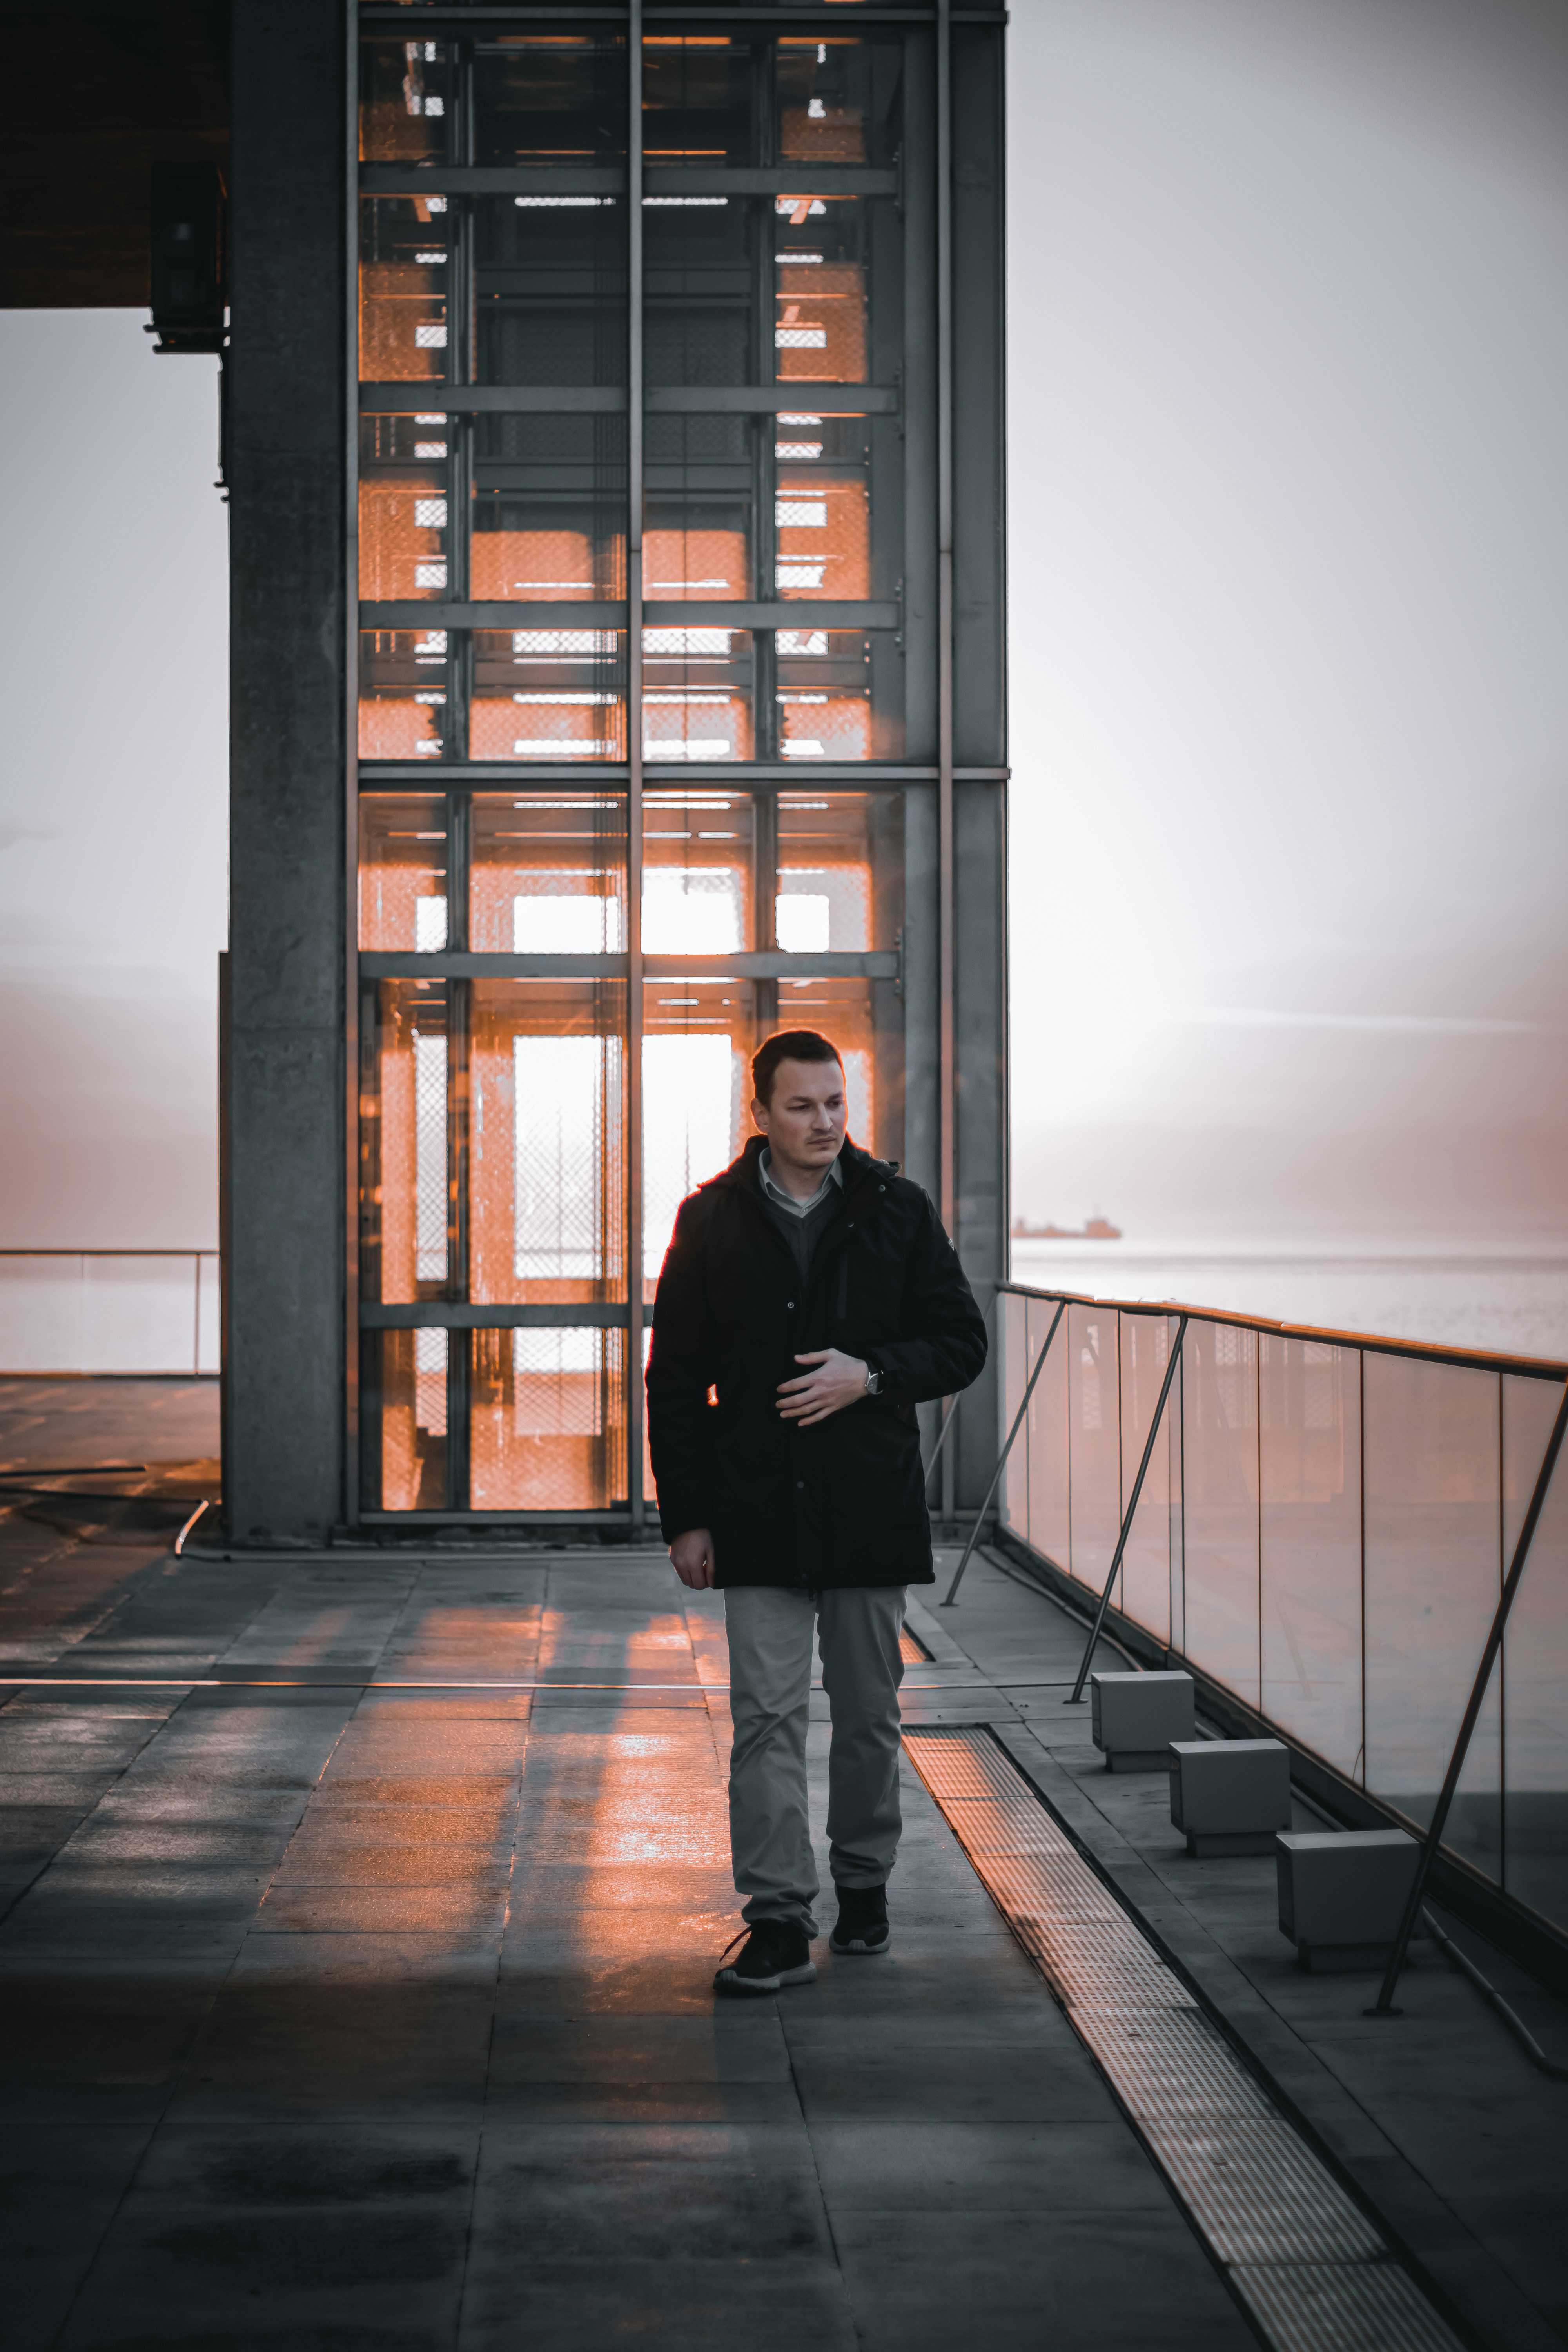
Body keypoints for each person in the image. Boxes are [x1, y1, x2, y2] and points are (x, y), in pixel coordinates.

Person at [646, 1029, 988, 1996]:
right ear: (759, 1114)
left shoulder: (897, 1209)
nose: (824, 1123)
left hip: (866, 1510)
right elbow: (673, 1384)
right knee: (762, 1721)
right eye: (801, 1106)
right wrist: (686, 1519)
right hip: (753, 1512)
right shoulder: (708, 1220)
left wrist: (868, 1375)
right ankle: (779, 1918)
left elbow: (960, 1343)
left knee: (870, 1715)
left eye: (835, 1103)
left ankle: (864, 1884)